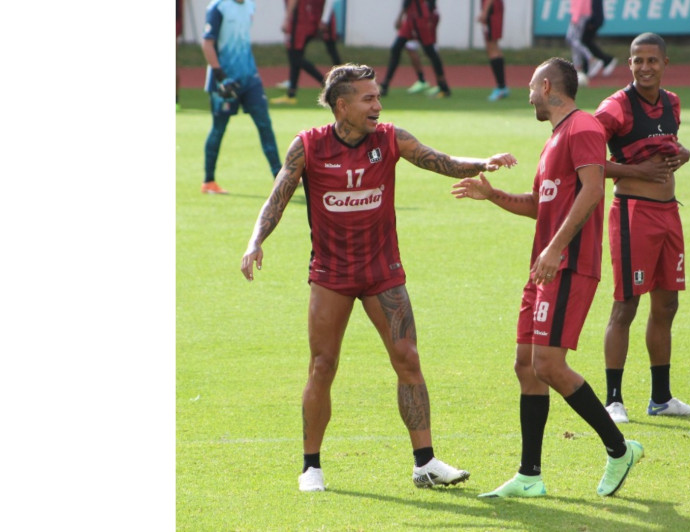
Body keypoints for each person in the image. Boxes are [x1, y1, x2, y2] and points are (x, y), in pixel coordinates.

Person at [240, 64, 518, 492]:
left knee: (408, 358)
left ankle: (424, 463)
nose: (378, 105)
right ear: (342, 105)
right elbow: (277, 196)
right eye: (368, 99)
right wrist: (255, 241)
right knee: (323, 365)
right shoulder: (308, 146)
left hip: (383, 273)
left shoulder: (390, 137)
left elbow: (439, 160)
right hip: (331, 275)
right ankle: (311, 467)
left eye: (377, 97)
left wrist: (483, 163)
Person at [451, 58, 643, 498]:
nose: (528, 94)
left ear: (546, 84)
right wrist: (491, 194)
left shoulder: (584, 128)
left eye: (531, 87)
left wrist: (556, 248)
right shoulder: (555, 137)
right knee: (526, 365)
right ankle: (530, 475)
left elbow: (594, 190)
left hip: (568, 265)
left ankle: (619, 449)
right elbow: (540, 205)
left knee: (549, 365)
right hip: (545, 266)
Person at [592, 32, 690, 422]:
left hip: (668, 214)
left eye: (652, 61)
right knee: (625, 306)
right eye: (637, 60)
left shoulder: (672, 102)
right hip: (632, 215)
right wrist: (634, 170)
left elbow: (667, 144)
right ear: (628, 65)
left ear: (665, 64)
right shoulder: (616, 107)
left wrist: (683, 153)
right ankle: (613, 400)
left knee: (668, 303)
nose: (644, 67)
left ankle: (661, 398)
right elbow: (586, 155)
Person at [200, 0, 281, 194]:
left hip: (250, 77)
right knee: (219, 129)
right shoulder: (217, 7)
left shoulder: (250, 5)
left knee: (264, 124)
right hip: (225, 80)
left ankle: (280, 176)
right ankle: (209, 181)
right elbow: (207, 43)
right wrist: (220, 76)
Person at [272, 0, 343, 105]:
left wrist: (286, 19)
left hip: (300, 21)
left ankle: (329, 85)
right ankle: (291, 93)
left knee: (296, 57)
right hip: (308, 18)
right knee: (295, 58)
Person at [378, 0, 452, 98]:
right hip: (410, 19)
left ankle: (443, 87)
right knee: (396, 48)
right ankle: (385, 85)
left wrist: (400, 17)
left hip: (419, 19)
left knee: (430, 51)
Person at [567, 0, 617, 86]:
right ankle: (580, 67)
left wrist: (576, 17)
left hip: (581, 16)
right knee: (578, 42)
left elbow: (581, 3)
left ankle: (591, 59)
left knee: (573, 40)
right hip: (584, 16)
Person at [478, 0, 508, 101]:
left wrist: (485, 12)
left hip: (492, 9)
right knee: (493, 46)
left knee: (491, 47)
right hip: (494, 8)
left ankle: (501, 87)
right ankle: (502, 86)